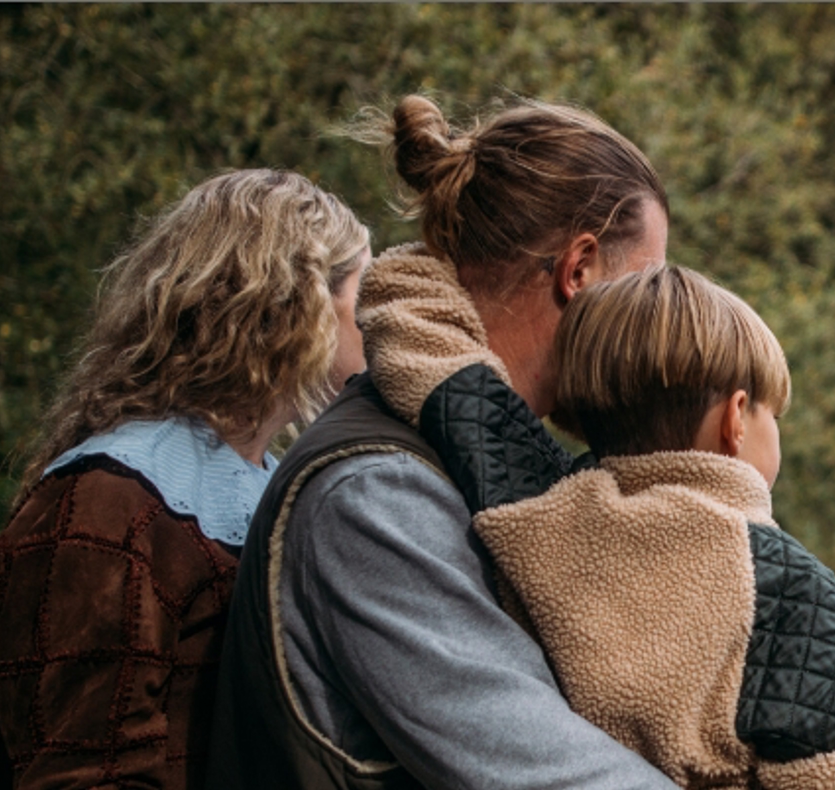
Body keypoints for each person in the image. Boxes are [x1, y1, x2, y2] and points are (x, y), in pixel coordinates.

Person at [208, 94, 678, 789]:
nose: (650, 326)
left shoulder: (471, 463)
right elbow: (546, 772)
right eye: (643, 286)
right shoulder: (374, 492)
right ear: (577, 270)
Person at [359, 262, 835, 789]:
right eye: (774, 414)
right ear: (736, 418)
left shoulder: (531, 501)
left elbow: (410, 319)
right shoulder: (788, 587)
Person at [0, 169, 372, 790]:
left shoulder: (281, 484)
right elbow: (83, 776)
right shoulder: (105, 503)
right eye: (365, 295)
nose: (378, 324)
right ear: (301, 306)